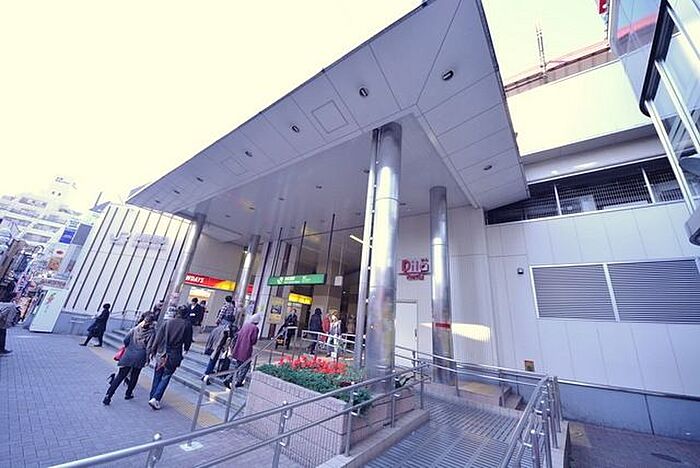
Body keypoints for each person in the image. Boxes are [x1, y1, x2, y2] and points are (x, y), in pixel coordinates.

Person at [102, 312, 156, 405]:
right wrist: (147, 359)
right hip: (140, 356)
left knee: (120, 376)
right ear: (152, 322)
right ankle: (128, 393)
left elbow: (126, 340)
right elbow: (149, 347)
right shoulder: (152, 333)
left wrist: (129, 347)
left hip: (128, 354)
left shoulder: (135, 329)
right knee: (135, 376)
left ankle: (108, 395)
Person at [147, 305, 193, 410]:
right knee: (166, 376)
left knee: (157, 375)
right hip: (174, 354)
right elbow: (188, 340)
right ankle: (156, 398)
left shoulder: (167, 322)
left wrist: (153, 350)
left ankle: (152, 396)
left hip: (161, 353)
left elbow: (158, 337)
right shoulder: (187, 325)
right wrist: (186, 349)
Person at [224, 314, 260, 389]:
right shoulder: (255, 328)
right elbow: (253, 340)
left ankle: (229, 378)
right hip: (246, 349)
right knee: (246, 365)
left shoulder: (245, 325)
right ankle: (238, 381)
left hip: (238, 347)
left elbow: (238, 334)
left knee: (238, 365)